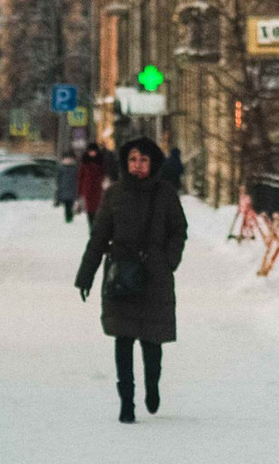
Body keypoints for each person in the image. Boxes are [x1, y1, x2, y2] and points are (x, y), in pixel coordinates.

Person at [76, 137, 188, 424]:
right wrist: (85, 274)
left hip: (155, 277)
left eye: (144, 160)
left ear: (153, 164)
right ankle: (126, 401)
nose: (138, 166)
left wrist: (168, 261)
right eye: (133, 160)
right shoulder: (114, 194)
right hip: (121, 276)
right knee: (123, 341)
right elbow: (99, 236)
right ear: (126, 163)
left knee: (152, 342)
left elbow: (179, 230)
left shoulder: (165, 193)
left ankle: (152, 386)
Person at [76, 143, 108, 219]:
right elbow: (81, 177)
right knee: (90, 210)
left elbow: (104, 175)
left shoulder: (101, 162)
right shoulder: (85, 162)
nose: (92, 153)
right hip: (87, 189)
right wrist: (79, 192)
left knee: (97, 210)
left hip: (98, 189)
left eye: (93, 151)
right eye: (90, 151)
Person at [54, 151, 81, 223]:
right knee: (67, 204)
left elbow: (78, 178)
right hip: (64, 188)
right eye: (66, 158)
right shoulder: (61, 167)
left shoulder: (75, 168)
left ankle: (70, 217)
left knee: (70, 203)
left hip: (72, 188)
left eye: (69, 158)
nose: (68, 160)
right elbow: (58, 178)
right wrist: (59, 186)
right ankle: (68, 218)